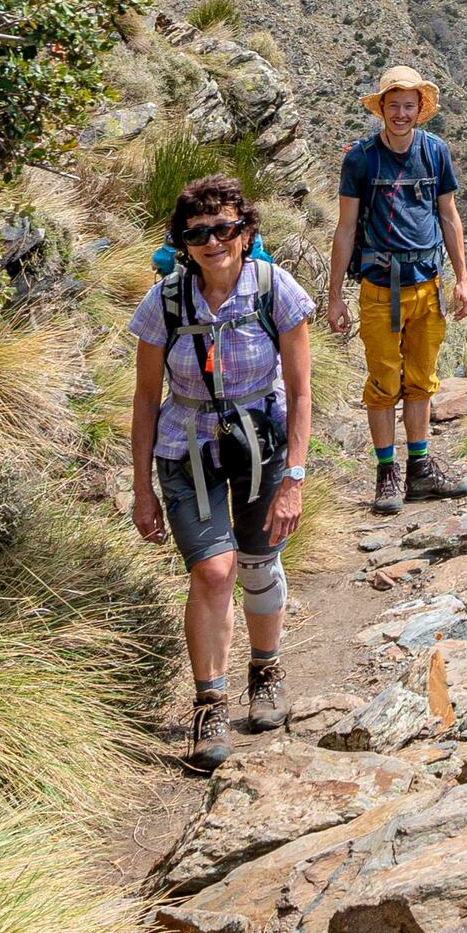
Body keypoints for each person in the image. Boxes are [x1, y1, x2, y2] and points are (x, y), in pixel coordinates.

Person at [124, 173, 313, 770]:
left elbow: (303, 391)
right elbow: (144, 398)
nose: (213, 241)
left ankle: (266, 671)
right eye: (198, 232)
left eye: (225, 228)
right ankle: (210, 703)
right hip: (187, 450)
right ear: (182, 241)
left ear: (246, 232)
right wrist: (141, 492)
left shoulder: (273, 289)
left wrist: (295, 479)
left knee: (258, 563)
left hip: (263, 447)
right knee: (212, 570)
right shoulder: (165, 302)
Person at [333, 62, 467, 512]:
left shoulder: (435, 152)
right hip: (379, 287)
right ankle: (386, 476)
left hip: (428, 284)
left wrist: (463, 280)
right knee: (382, 383)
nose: (400, 114)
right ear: (381, 109)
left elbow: (449, 216)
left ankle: (419, 472)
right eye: (393, 105)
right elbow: (345, 227)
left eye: (408, 106)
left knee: (420, 381)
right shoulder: (360, 157)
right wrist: (335, 295)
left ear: (420, 109)